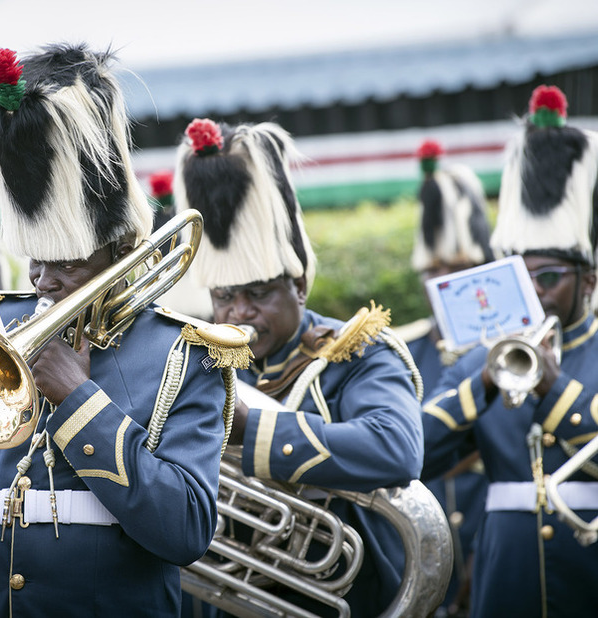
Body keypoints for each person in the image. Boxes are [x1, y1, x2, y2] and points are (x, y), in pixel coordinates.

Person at [0, 43, 237, 617]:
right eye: (35, 260)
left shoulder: (183, 353)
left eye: (67, 262)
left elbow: (187, 530)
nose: (44, 281)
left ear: (118, 247)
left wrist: (78, 400)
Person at [172, 117, 427, 617]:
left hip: (343, 596)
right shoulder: (198, 360)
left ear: (300, 286)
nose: (240, 313)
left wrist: (256, 429)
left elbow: (397, 447)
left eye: (260, 294)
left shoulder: (355, 351)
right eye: (225, 296)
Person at [422, 84, 598, 617]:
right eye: (522, 274)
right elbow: (417, 452)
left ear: (588, 280)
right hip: (506, 571)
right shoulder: (481, 357)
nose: (536, 290)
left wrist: (551, 385)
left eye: (550, 276)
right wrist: (482, 385)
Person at [395, 138, 494, 617]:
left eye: (457, 267)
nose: (443, 282)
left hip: (490, 544)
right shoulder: (405, 350)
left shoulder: (508, 352)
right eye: (433, 269)